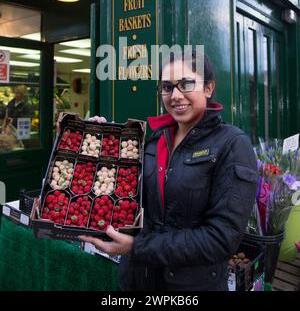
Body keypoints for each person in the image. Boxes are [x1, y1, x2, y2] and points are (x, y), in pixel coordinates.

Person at [79, 52, 258, 291]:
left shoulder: (232, 144)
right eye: (166, 87)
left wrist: (136, 247)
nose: (175, 96)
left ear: (208, 88)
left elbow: (220, 239)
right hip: (136, 281)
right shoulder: (155, 140)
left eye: (185, 84)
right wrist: (101, 145)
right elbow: (125, 196)